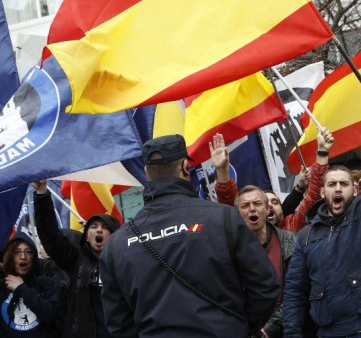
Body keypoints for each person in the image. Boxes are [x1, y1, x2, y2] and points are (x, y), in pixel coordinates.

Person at [99, 134, 280, 337]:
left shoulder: (116, 244)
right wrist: (240, 326)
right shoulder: (223, 218)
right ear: (186, 167)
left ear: (146, 173)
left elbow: (117, 323)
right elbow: (266, 286)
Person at [283, 108, 361, 337]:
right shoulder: (306, 235)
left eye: (343, 184)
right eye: (332, 184)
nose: (337, 188)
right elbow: (295, 291)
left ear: (354, 188)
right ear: (323, 191)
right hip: (329, 332)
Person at [33, 182, 119, 338]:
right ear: (86, 236)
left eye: (105, 227)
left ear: (114, 235)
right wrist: (42, 193)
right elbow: (50, 235)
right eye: (93, 226)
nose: (99, 229)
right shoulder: (76, 260)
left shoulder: (125, 263)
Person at [210, 130, 332, 233]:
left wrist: (322, 151)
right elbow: (229, 203)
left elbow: (314, 194)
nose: (270, 206)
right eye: (261, 203)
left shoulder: (292, 226)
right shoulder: (245, 235)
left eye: (275, 202)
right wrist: (222, 169)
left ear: (282, 211)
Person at [235, 185, 296, 338]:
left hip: (290, 324)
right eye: (245, 205)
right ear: (237, 214)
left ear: (268, 209)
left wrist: (271, 327)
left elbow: (298, 289)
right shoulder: (231, 250)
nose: (252, 209)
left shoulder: (290, 240)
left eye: (257, 203)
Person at [0, 233, 61, 338]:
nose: (23, 257)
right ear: (10, 256)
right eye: (17, 252)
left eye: (28, 252)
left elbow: (52, 315)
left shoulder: (47, 284)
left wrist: (22, 289)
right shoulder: (2, 286)